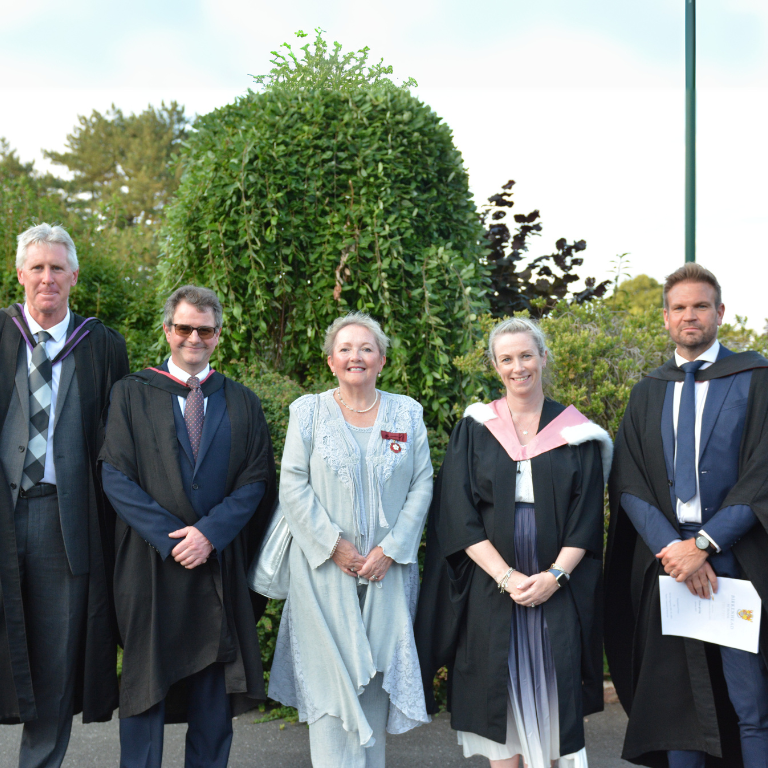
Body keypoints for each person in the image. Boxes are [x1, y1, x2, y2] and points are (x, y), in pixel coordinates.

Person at [415, 317, 612, 768]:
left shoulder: (576, 433)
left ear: (543, 357)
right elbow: (459, 515)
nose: (518, 367)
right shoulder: (476, 427)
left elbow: (586, 519)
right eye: (507, 359)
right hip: (491, 582)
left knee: (552, 695)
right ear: (495, 365)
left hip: (555, 582)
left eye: (526, 355)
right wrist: (506, 577)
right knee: (496, 695)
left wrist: (555, 576)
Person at [99, 285, 276, 768]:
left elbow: (257, 479)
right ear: (167, 330)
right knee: (145, 689)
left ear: (218, 335)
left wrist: (209, 534)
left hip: (216, 565)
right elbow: (115, 474)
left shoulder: (242, 401)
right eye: (184, 328)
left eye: (205, 330)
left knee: (213, 696)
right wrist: (173, 538)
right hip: (150, 564)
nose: (193, 338)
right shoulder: (132, 393)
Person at [605, 263, 768, 768]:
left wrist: (704, 546)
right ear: (665, 317)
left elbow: (763, 472)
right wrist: (675, 552)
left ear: (720, 312)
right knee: (677, 703)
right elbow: (629, 481)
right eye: (679, 307)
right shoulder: (648, 391)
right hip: (669, 561)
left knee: (751, 699)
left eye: (700, 306)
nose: (689, 316)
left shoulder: (756, 379)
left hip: (738, 556)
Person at [266, 311, 433, 768]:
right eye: (345, 348)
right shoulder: (307, 411)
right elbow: (292, 484)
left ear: (382, 359)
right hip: (322, 570)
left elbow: (422, 483)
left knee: (376, 677)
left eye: (366, 348)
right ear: (330, 361)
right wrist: (334, 546)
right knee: (328, 684)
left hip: (387, 572)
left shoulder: (407, 412)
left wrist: (391, 550)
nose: (355, 356)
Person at [0, 223, 129, 768]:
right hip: (3, 515)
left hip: (64, 520)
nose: (47, 277)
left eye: (57, 268)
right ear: (20, 274)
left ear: (74, 276)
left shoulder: (103, 345)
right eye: (37, 267)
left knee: (55, 657)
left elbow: (118, 442)